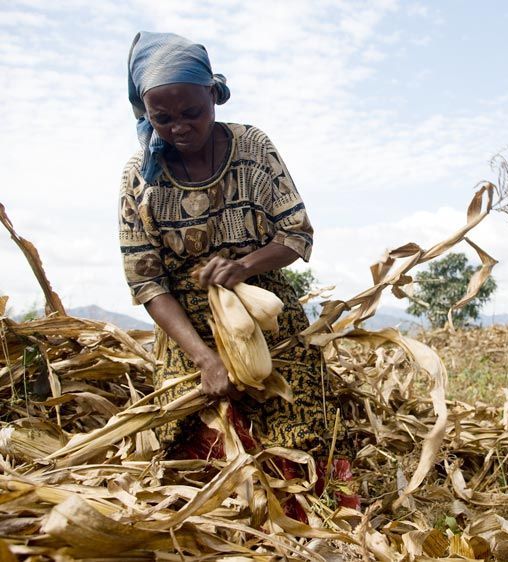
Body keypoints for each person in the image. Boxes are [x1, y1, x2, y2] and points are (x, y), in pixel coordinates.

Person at [118, 33, 355, 506]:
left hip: (265, 306)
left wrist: (244, 265)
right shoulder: (138, 178)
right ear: (145, 113)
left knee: (305, 422)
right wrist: (206, 359)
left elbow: (296, 234)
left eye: (192, 112)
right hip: (187, 325)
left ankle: (318, 517)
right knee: (195, 438)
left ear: (214, 94)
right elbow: (147, 281)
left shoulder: (252, 147)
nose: (179, 127)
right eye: (162, 118)